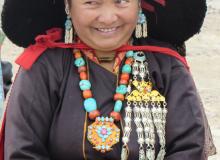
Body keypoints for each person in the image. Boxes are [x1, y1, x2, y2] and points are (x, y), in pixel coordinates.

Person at [0, 0, 215, 159]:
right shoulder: (43, 68)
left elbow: (188, 149)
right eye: (91, 2)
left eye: (121, 1)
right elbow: (22, 151)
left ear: (139, 4)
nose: (108, 18)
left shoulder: (167, 67)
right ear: (68, 5)